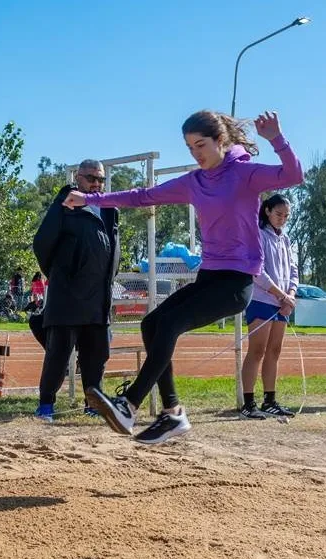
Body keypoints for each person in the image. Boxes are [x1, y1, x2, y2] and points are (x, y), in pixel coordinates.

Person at [64, 109, 303, 444]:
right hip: (209, 277)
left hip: (236, 283)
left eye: (201, 145)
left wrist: (276, 138)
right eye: (190, 147)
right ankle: (173, 413)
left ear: (220, 141)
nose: (196, 153)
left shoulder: (246, 174)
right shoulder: (195, 182)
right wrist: (90, 199)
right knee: (152, 324)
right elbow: (142, 196)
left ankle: (130, 405)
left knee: (171, 324)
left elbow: (293, 174)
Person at [32, 159, 120, 422]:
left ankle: (93, 404)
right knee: (58, 355)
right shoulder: (64, 205)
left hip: (98, 297)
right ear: (78, 178)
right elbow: (42, 244)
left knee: (97, 355)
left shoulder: (109, 208)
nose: (96, 184)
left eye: (100, 179)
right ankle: (46, 405)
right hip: (67, 297)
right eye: (91, 178)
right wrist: (61, 274)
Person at [239, 194, 297, 420]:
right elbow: (256, 271)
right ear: (267, 211)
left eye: (286, 216)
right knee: (257, 350)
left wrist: (290, 295)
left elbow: (293, 270)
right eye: (278, 214)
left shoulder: (285, 239)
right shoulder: (258, 235)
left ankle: (270, 400)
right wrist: (280, 295)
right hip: (262, 300)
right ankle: (248, 402)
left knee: (275, 350)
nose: (282, 219)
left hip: (282, 304)